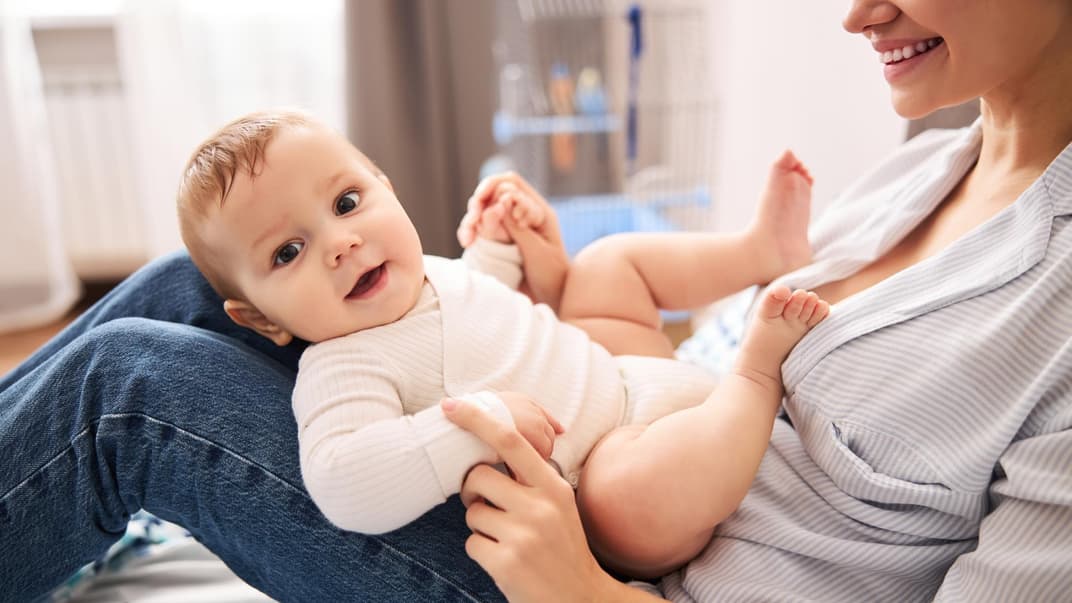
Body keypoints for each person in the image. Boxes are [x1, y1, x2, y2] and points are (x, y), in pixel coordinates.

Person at [0, 0, 1068, 600]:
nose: (854, 12)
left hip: (595, 579)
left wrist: (589, 595)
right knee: (189, 282)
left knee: (126, 389)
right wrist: (543, 285)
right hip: (603, 461)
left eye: (349, 202)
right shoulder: (932, 165)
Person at [173, 109, 826, 575]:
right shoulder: (343, 365)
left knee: (604, 265)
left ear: (387, 190)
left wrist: (502, 237)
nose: (340, 243)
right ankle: (754, 378)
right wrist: (477, 427)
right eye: (288, 252)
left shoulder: (431, 271)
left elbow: (483, 297)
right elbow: (344, 480)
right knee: (628, 497)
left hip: (626, 373)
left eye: (346, 203)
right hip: (603, 474)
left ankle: (760, 251)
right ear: (261, 320)